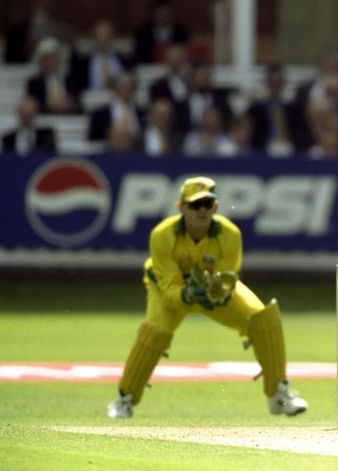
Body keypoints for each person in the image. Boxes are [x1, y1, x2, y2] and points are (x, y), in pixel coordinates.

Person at [108, 177, 308, 419]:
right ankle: (124, 399)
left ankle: (279, 395)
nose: (201, 210)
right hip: (167, 292)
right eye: (195, 205)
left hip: (211, 292)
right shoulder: (162, 235)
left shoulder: (229, 234)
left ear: (215, 207)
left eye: (207, 204)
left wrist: (218, 294)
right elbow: (169, 286)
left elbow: (227, 278)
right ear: (181, 207)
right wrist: (189, 293)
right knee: (155, 333)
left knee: (263, 318)